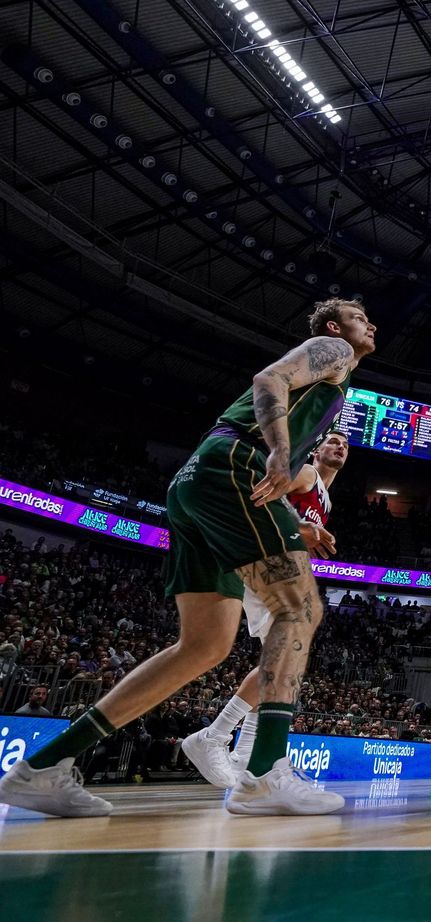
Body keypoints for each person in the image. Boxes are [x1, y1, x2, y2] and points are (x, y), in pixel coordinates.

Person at [0, 298, 375, 818]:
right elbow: (269, 379)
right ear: (335, 327)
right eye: (359, 318)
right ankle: (263, 774)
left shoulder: (336, 384)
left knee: (202, 647)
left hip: (195, 483)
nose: (369, 324)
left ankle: (41, 769)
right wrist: (278, 450)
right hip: (235, 464)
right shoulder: (331, 349)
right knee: (300, 610)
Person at [182, 430, 349, 789]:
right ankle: (215, 735)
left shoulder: (326, 498)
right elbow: (259, 492)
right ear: (317, 449)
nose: (341, 447)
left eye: (346, 445)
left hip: (276, 567)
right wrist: (295, 525)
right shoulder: (306, 474)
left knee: (278, 663)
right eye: (334, 441)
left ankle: (244, 755)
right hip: (262, 559)